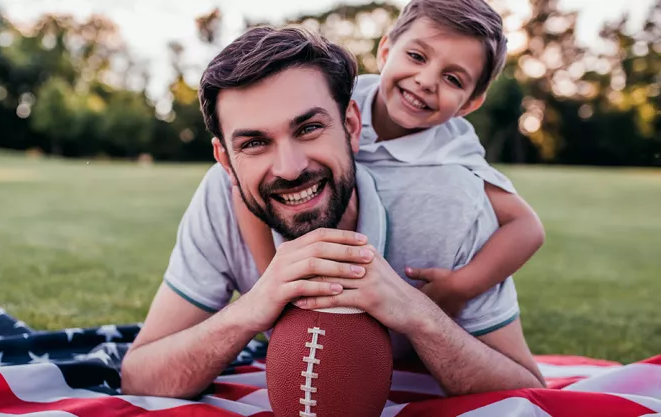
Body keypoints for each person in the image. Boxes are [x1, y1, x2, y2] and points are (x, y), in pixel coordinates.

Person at [120, 24, 546, 399]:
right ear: (226, 161)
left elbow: (528, 388)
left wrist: (421, 316)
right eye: (253, 143)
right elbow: (141, 377)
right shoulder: (221, 196)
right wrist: (252, 308)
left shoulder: (453, 200)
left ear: (352, 126)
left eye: (308, 128)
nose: (290, 168)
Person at [233, 0, 546, 318]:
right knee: (238, 179)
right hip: (302, 234)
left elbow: (527, 227)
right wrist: (271, 284)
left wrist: (459, 286)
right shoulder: (337, 101)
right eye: (416, 56)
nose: (426, 80)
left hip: (382, 288)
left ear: (469, 104)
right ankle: (274, 296)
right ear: (385, 52)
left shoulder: (453, 148)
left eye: (453, 79)